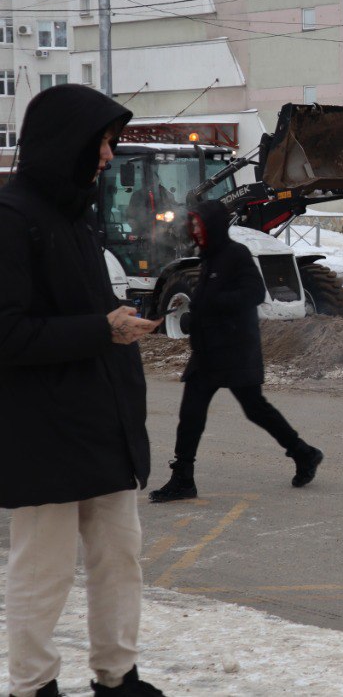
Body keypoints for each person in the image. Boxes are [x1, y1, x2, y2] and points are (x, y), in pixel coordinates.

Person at [0, 85, 168, 697]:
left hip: (103, 422)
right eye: (101, 141)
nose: (107, 155)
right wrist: (101, 328)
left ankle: (117, 676)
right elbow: (8, 333)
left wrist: (112, 321)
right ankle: (32, 685)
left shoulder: (74, 217)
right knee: (42, 572)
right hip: (43, 431)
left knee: (119, 559)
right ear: (63, 143)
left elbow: (78, 313)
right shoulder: (12, 219)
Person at [149, 200, 323, 501]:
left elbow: (254, 292)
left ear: (211, 226)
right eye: (192, 224)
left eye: (197, 223)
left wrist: (212, 306)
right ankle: (183, 478)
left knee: (256, 409)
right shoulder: (209, 258)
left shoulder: (235, 254)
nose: (193, 229)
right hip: (207, 353)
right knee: (191, 414)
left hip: (235, 350)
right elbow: (207, 301)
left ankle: (303, 452)